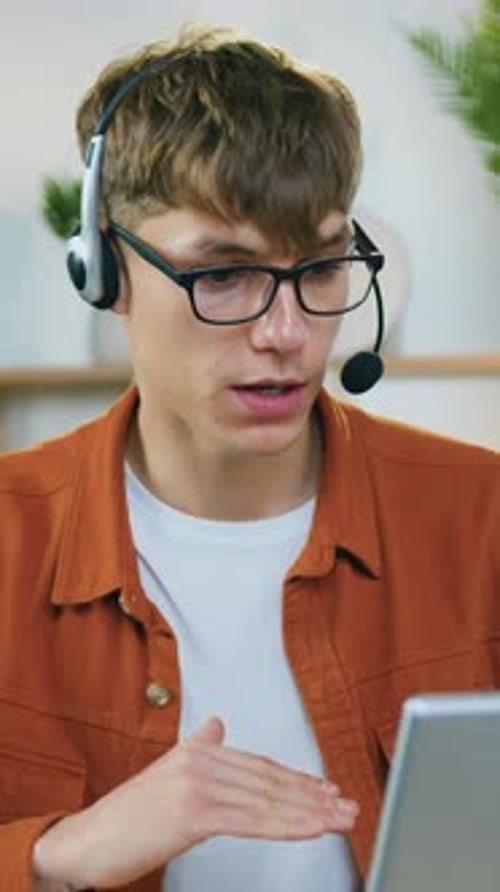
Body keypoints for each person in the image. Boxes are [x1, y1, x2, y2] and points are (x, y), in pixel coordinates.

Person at [0, 24, 498, 892]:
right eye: (223, 275)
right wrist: (52, 856)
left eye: (322, 267)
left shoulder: (481, 516)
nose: (286, 333)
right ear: (103, 271)